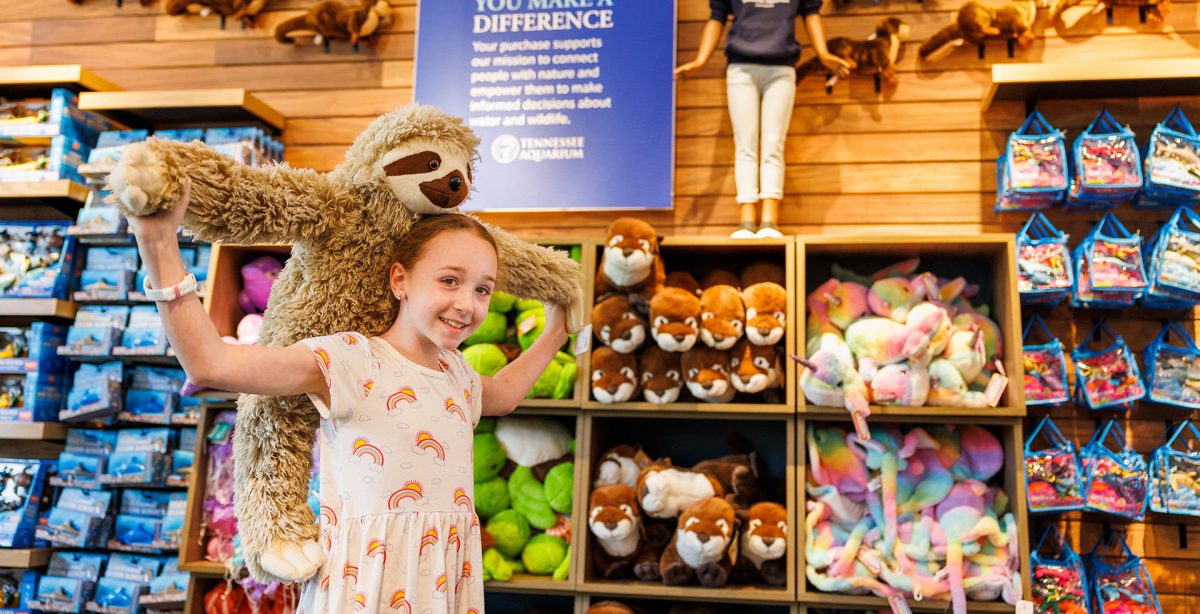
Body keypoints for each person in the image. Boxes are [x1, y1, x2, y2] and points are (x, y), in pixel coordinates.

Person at [127, 180, 568, 613]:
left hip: (443, 583)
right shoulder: (354, 359)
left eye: (482, 289)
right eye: (449, 280)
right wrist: (158, 244)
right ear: (401, 280)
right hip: (365, 588)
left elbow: (505, 395)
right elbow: (212, 365)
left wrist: (556, 330)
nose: (468, 304)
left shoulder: (457, 374)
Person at [676, 0, 851, 239]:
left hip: (782, 68)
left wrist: (823, 54)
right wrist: (700, 61)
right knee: (745, 144)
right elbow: (716, 16)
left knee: (773, 144)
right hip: (741, 68)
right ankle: (746, 219)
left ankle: (770, 219)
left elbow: (812, 13)